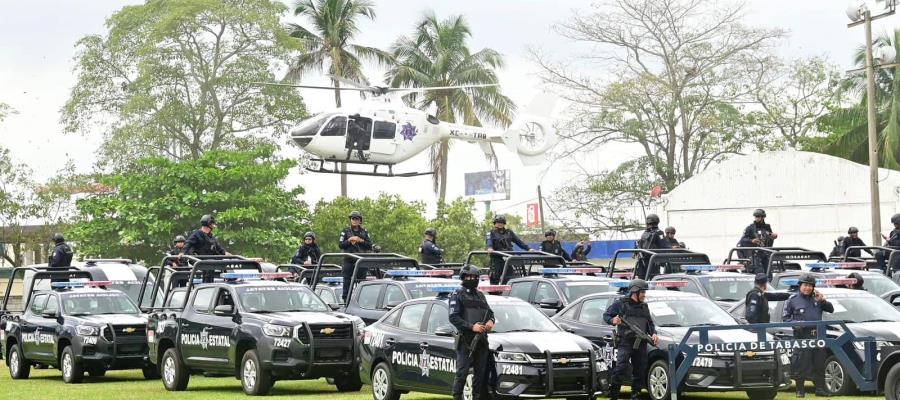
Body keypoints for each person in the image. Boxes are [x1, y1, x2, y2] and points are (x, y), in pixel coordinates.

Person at [603, 279, 659, 400]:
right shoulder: (621, 304)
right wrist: (612, 320)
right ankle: (614, 395)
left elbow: (649, 323)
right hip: (625, 342)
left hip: (641, 343)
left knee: (639, 370)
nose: (644, 295)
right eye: (642, 292)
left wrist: (654, 333)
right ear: (635, 292)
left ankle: (635, 395)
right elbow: (606, 315)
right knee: (620, 368)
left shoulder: (644, 306)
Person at [783, 274, 833, 397]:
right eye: (805, 285)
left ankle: (820, 389)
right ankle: (800, 390)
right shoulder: (793, 300)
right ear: (800, 286)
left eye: (810, 286)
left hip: (817, 336)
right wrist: (797, 324)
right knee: (802, 364)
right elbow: (785, 318)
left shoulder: (817, 299)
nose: (807, 288)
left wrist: (823, 300)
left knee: (819, 363)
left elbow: (831, 309)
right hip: (801, 336)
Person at [449, 266, 495, 400]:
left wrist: (490, 322)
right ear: (463, 278)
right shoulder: (457, 295)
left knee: (481, 374)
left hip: (481, 340)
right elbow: (453, 317)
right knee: (462, 373)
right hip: (466, 341)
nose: (472, 279)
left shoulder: (480, 295)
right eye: (469, 277)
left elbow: (490, 313)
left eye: (475, 277)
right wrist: (471, 327)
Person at [486, 215, 531, 284]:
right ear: (495, 223)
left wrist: (528, 249)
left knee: (509, 278)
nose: (499, 224)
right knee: (495, 277)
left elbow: (518, 241)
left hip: (508, 258)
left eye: (501, 222)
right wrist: (490, 247)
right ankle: (494, 293)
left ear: (504, 223)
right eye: (498, 222)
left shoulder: (509, 232)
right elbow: (489, 241)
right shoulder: (491, 232)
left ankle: (506, 292)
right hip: (497, 258)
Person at [339, 211, 373, 301]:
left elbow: (370, 245)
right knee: (347, 280)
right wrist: (350, 240)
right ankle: (346, 300)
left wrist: (360, 240)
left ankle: (362, 300)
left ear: (360, 221)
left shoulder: (364, 231)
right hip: (349, 259)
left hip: (361, 260)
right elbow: (341, 245)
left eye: (356, 219)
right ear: (350, 220)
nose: (354, 220)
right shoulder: (345, 231)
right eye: (353, 218)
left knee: (362, 281)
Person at [737, 209, 778, 275]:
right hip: (755, 255)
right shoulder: (750, 227)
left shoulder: (767, 227)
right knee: (759, 273)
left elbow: (770, 236)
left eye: (758, 217)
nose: (756, 218)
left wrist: (773, 236)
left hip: (766, 253)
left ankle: (768, 284)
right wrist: (752, 241)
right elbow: (742, 240)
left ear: (763, 217)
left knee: (768, 273)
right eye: (756, 217)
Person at [634, 214, 666, 280]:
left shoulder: (658, 233)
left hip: (652, 260)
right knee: (643, 279)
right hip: (644, 260)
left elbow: (664, 246)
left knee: (652, 279)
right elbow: (640, 245)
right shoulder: (646, 233)